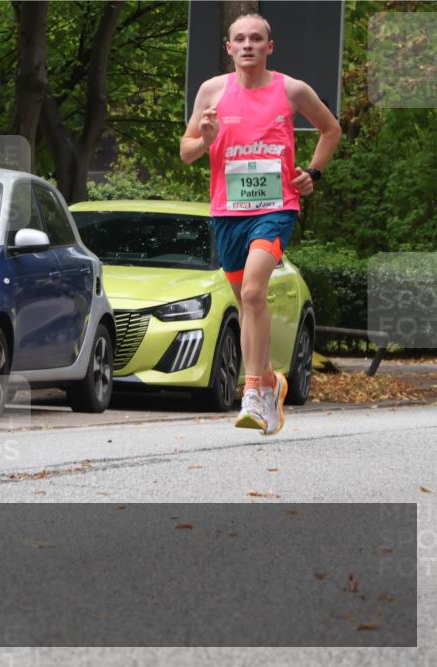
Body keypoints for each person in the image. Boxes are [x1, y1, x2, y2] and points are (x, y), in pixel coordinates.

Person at [180, 13, 340, 435]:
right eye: (239, 39)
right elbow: (187, 152)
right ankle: (272, 382)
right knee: (247, 302)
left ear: (270, 47)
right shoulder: (212, 92)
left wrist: (313, 173)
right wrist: (208, 137)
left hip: (275, 208)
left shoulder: (291, 90)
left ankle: (252, 390)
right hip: (227, 213)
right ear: (229, 48)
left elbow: (330, 129)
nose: (248, 44)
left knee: (254, 290)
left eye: (256, 38)